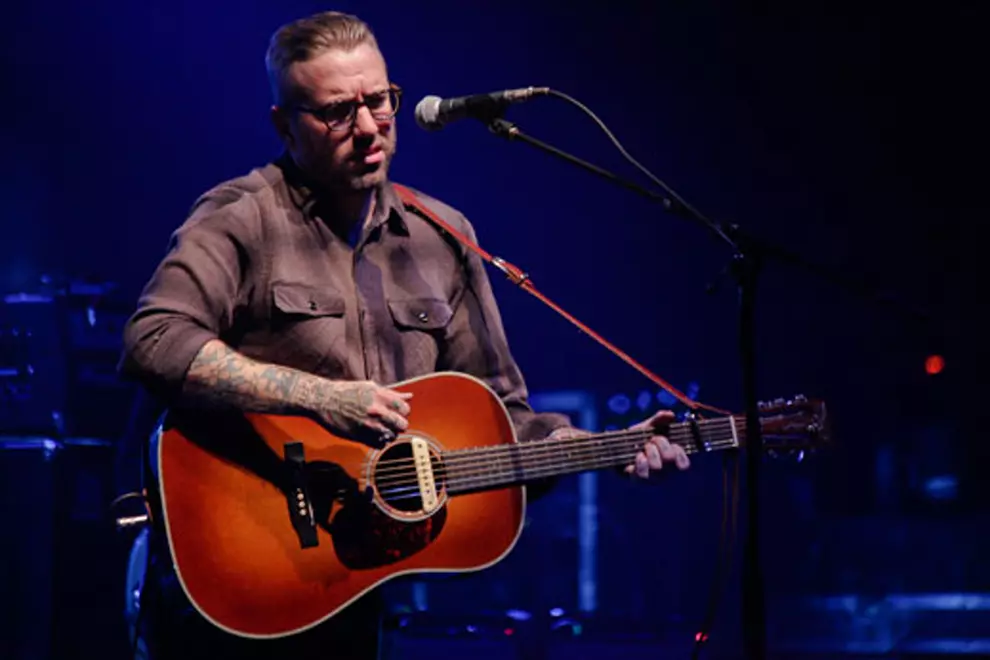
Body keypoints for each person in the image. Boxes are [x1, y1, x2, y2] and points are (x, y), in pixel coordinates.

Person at [118, 10, 690, 660]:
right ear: (285, 125)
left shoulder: (443, 235)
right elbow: (155, 340)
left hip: (360, 594)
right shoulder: (240, 220)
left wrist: (606, 449)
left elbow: (504, 418)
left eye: (378, 102)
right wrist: (319, 398)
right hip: (239, 574)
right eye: (337, 113)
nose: (367, 129)